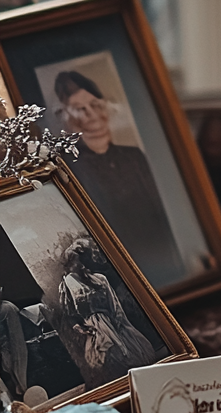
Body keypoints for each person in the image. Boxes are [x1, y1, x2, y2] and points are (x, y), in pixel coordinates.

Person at [54, 70, 186, 288]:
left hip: (163, 271)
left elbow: (162, 220)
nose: (91, 116)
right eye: (79, 110)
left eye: (96, 105)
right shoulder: (67, 170)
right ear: (65, 119)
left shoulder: (134, 157)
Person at [57, 238, 156, 388]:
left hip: (111, 322)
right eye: (76, 261)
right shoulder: (68, 284)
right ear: (71, 263)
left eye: (83, 260)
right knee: (106, 363)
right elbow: (70, 313)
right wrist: (82, 328)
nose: (80, 264)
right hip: (92, 329)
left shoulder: (100, 279)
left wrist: (119, 323)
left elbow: (114, 304)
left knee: (130, 356)